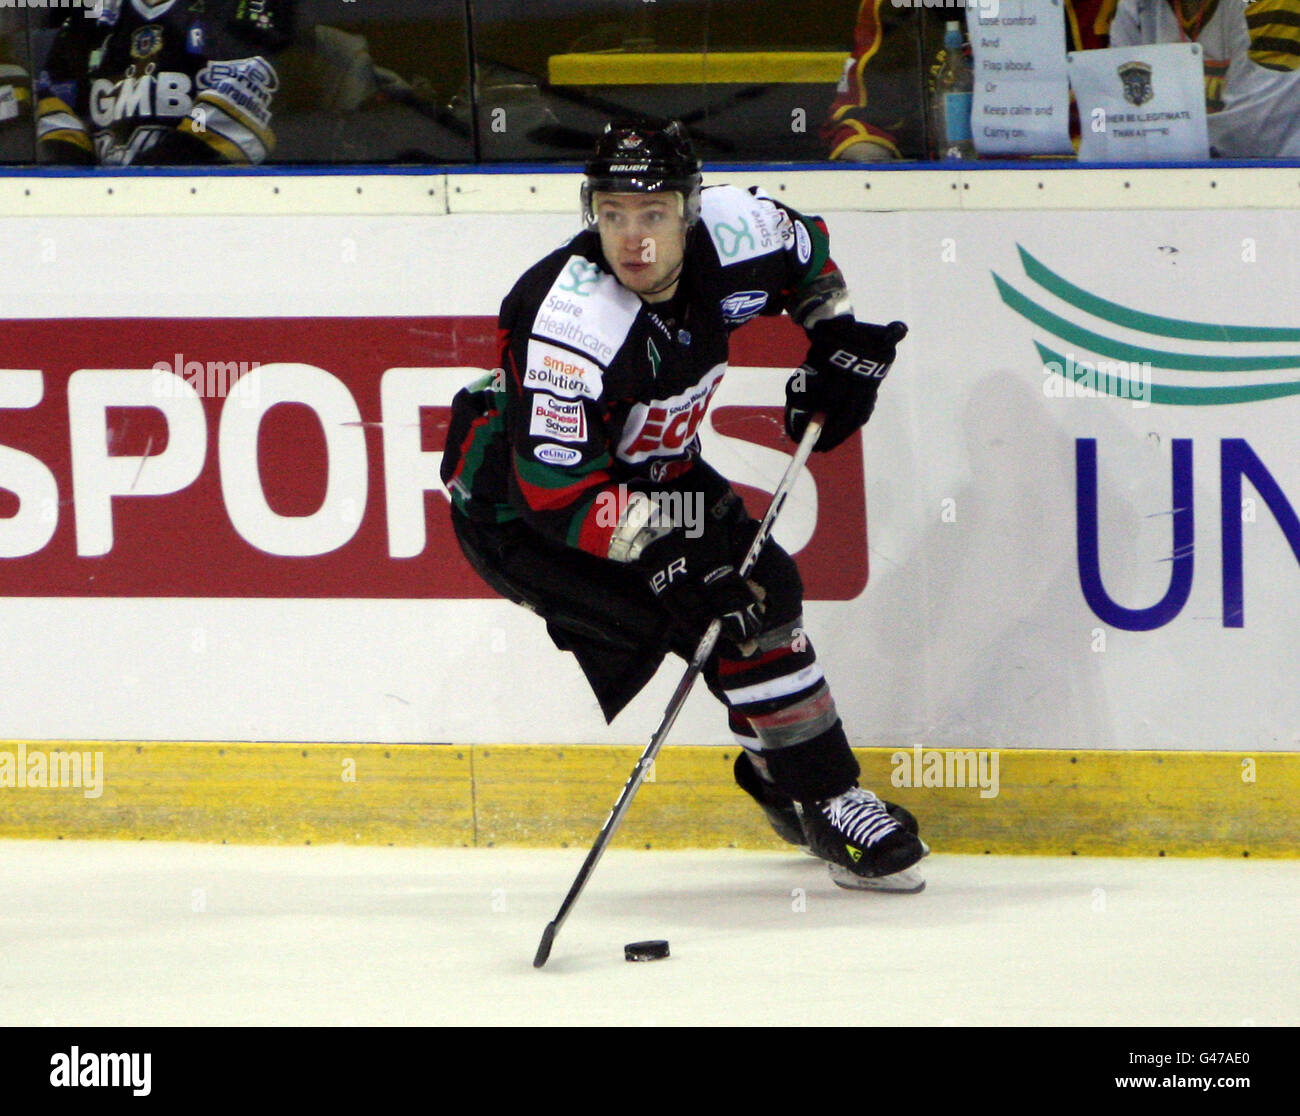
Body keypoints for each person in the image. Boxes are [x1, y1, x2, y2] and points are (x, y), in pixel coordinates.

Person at [441, 119, 926, 891]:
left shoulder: (740, 230)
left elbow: (810, 257)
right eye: (612, 215)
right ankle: (814, 791)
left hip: (653, 469)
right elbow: (560, 496)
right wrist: (670, 558)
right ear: (588, 212)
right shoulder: (569, 320)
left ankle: (811, 792)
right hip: (523, 518)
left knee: (762, 593)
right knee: (712, 610)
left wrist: (832, 345)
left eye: (654, 214)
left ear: (692, 210)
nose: (633, 240)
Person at [824, 0, 1115, 160]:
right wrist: (869, 170)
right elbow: (862, 118)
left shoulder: (1087, 8)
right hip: (943, 197)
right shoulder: (892, 6)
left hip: (1058, 198)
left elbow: (1118, 126)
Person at [35, 0, 294, 165]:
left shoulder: (244, 9)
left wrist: (132, 191)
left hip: (207, 211)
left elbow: (214, 138)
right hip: (106, 212)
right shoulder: (94, 14)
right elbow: (59, 120)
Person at [1110, 0, 1300, 156]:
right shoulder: (1136, 7)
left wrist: (1142, 139)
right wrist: (1102, 135)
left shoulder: (1276, 5)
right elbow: (1108, 112)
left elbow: (1251, 133)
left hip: (1273, 184)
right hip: (1176, 179)